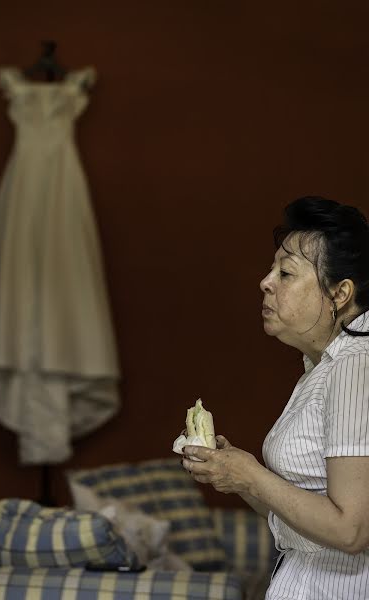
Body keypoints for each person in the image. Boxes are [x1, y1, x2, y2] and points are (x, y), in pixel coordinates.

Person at [182, 196, 369, 600]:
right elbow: (302, 516)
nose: (265, 282)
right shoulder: (322, 366)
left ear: (340, 293)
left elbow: (351, 531)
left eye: (285, 273)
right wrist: (236, 477)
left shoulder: (356, 365)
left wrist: (251, 475)